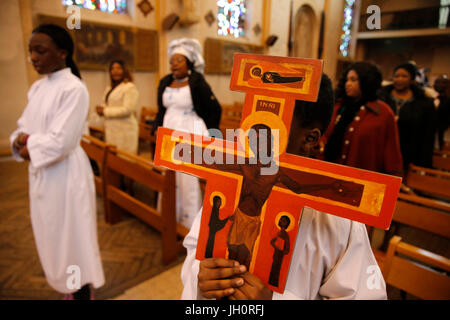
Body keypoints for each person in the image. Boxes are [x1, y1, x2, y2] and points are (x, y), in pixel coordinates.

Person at [181, 74, 387, 300]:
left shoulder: (337, 221)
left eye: (268, 132)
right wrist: (200, 276)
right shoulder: (230, 182)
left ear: (310, 139)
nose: (251, 142)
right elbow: (195, 250)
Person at [10, 24, 104, 300]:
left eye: (40, 51)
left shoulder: (74, 89)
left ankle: (81, 290)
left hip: (66, 175)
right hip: (42, 173)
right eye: (31, 52)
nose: (34, 57)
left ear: (62, 52)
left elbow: (60, 142)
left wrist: (27, 143)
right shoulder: (37, 88)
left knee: (72, 236)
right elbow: (22, 127)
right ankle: (67, 285)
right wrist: (21, 139)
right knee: (50, 232)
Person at [154, 38, 222, 228]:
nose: (173, 64)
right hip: (169, 131)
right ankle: (168, 217)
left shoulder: (197, 82)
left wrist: (211, 135)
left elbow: (214, 109)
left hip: (189, 131)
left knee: (187, 178)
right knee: (168, 175)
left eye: (179, 60)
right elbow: (161, 109)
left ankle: (188, 223)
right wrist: (156, 131)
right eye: (172, 60)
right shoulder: (165, 82)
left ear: (189, 62)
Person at [320, 62, 403, 178]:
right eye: (347, 80)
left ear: (366, 81)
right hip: (329, 173)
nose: (348, 84)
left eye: (353, 80)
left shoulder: (383, 113)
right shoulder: (338, 106)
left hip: (360, 181)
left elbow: (391, 154)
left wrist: (395, 178)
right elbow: (324, 133)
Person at [378, 62, 436, 169]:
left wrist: (423, 162)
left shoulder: (423, 102)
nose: (399, 79)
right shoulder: (380, 97)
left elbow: (427, 134)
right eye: (396, 76)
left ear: (412, 79)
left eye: (404, 76)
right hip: (381, 151)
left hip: (409, 152)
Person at [96, 59, 139, 154]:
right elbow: (107, 103)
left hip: (124, 131)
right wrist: (100, 109)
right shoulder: (109, 88)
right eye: (112, 69)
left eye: (118, 68)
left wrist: (105, 111)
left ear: (124, 70)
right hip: (112, 129)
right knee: (113, 159)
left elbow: (128, 109)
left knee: (124, 161)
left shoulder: (129, 87)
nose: (115, 71)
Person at [433, 76, 450, 150]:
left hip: (442, 123)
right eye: (437, 83)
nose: (439, 85)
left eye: (442, 83)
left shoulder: (447, 99)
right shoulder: (434, 97)